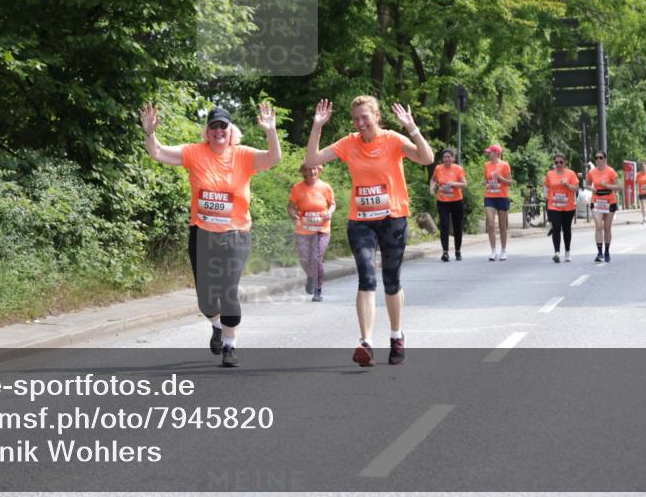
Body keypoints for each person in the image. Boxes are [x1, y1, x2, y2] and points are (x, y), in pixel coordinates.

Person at [140, 102, 281, 367]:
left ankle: (230, 345)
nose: (218, 131)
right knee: (206, 300)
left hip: (236, 234)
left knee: (228, 291)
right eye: (213, 126)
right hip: (202, 235)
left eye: (223, 126)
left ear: (231, 131)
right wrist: (150, 133)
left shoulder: (243, 155)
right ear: (207, 131)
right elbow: (158, 153)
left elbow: (273, 158)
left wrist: (270, 131)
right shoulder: (195, 153)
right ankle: (216, 325)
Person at [305, 96, 433, 367]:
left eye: (365, 117)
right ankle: (366, 343)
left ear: (377, 116)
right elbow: (312, 159)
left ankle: (397, 336)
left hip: (392, 219)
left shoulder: (392, 139)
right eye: (356, 119)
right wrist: (317, 126)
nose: (360, 123)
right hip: (361, 221)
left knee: (391, 282)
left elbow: (426, 158)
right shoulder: (348, 143)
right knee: (366, 277)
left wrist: (412, 127)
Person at [287, 164, 336, 302]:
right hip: (303, 229)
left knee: (317, 257)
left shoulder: (325, 187)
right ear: (303, 171)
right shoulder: (297, 188)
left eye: (315, 168)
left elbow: (332, 203)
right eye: (309, 169)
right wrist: (294, 215)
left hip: (322, 228)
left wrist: (329, 212)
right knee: (304, 258)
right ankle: (310, 276)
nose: (312, 171)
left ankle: (318, 289)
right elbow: (290, 207)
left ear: (319, 170)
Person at [430, 148, 467, 262]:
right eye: (445, 157)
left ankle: (457, 251)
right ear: (442, 159)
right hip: (442, 201)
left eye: (449, 157)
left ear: (453, 158)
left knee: (457, 227)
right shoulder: (438, 168)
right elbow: (433, 179)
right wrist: (431, 189)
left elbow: (464, 184)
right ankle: (445, 252)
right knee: (444, 226)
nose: (447, 159)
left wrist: (453, 184)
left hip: (456, 201)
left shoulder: (458, 169)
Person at [543, 153, 579, 262]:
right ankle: (557, 253)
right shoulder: (550, 174)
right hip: (554, 206)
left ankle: (567, 252)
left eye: (561, 162)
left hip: (568, 206)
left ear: (565, 162)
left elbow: (576, 189)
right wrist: (545, 194)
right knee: (556, 228)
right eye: (556, 162)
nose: (558, 164)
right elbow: (545, 185)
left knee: (567, 229)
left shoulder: (571, 174)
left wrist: (567, 185)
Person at [586, 151, 621, 263]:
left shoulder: (611, 171)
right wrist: (592, 189)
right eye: (596, 158)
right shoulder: (592, 172)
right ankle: (599, 252)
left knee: (607, 228)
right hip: (596, 201)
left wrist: (607, 185)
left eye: (601, 158)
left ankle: (607, 251)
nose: (598, 160)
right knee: (598, 226)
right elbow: (586, 184)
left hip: (609, 201)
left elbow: (620, 187)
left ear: (605, 159)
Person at [483, 144, 513, 261]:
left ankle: (503, 250)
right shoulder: (486, 165)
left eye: (490, 152)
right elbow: (486, 180)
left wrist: (500, 178)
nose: (488, 154)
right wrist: (486, 184)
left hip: (502, 197)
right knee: (490, 224)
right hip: (489, 196)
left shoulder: (505, 165)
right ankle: (493, 251)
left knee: (502, 226)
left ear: (497, 153)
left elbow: (510, 182)